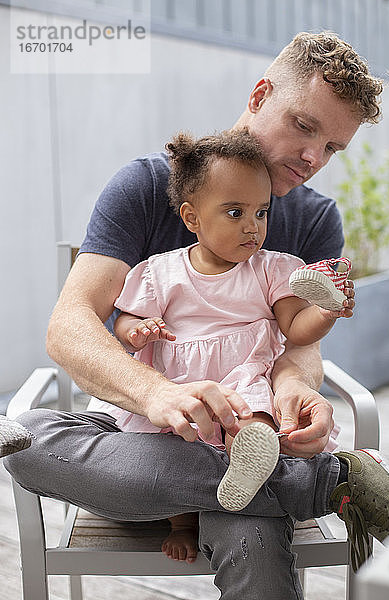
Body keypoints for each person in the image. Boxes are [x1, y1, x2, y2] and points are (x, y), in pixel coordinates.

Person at [4, 32, 389, 598]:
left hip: (245, 437)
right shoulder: (145, 186)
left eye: (333, 147)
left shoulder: (313, 221)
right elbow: (69, 326)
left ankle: (277, 479)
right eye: (305, 127)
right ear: (260, 94)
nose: (315, 158)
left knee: (256, 537)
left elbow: (298, 348)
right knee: (30, 439)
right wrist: (157, 394)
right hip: (139, 443)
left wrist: (293, 390)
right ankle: (330, 483)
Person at [110, 128, 355, 562]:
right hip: (184, 384)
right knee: (175, 444)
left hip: (244, 376)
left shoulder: (269, 270)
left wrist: (326, 311)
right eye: (235, 212)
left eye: (262, 212)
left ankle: (252, 458)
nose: (253, 227)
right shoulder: (161, 272)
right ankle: (184, 521)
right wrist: (138, 330)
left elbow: (296, 330)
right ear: (192, 219)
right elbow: (124, 321)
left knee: (256, 414)